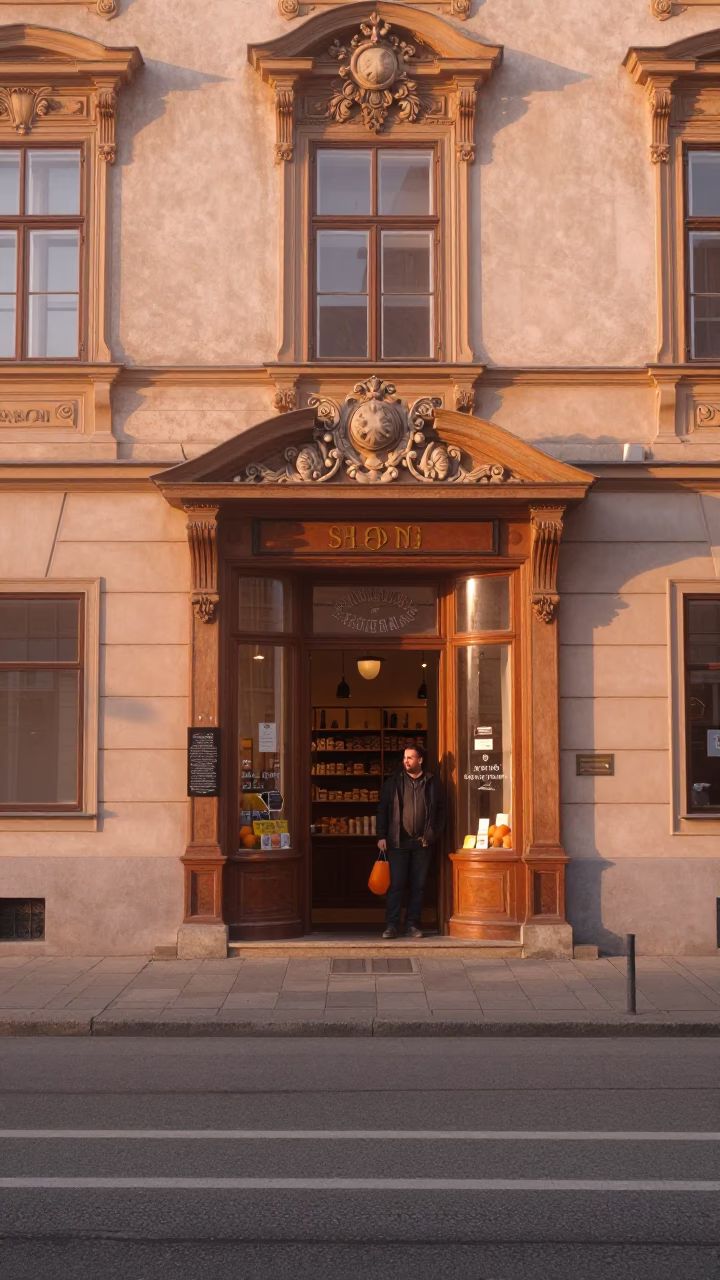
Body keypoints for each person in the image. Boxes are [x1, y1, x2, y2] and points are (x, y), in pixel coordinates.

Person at [376, 746, 446, 939]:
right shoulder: (394, 782)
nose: (406, 761)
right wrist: (381, 836)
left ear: (420, 760)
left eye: (411, 758)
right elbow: (382, 809)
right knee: (396, 885)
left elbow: (441, 812)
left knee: (418, 886)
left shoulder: (433, 783)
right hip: (398, 843)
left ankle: (413, 925)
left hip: (422, 843)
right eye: (405, 758)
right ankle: (392, 925)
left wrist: (432, 835)